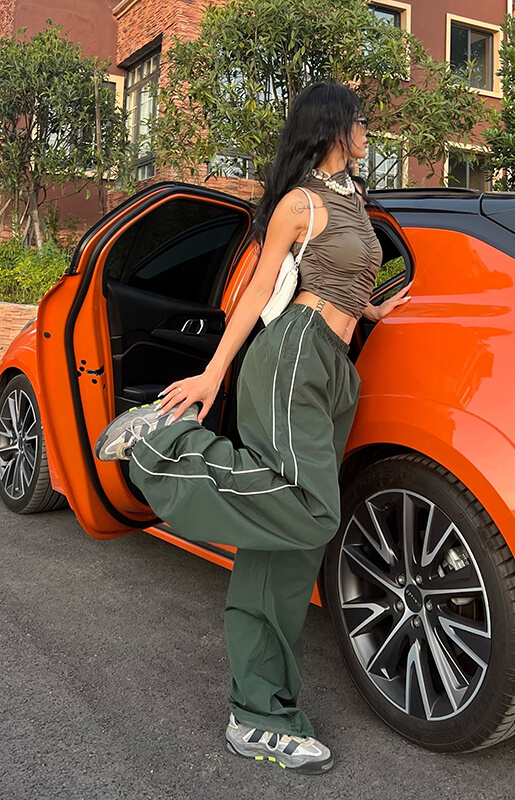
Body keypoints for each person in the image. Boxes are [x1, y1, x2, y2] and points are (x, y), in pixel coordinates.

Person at [95, 82, 411, 774]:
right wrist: (212, 374)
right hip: (292, 355)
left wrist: (372, 310)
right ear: (331, 125)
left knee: (287, 549)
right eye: (358, 120)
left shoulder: (353, 198)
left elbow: (346, 281)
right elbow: (259, 291)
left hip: (335, 365)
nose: (366, 130)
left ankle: (259, 714)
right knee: (311, 508)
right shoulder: (299, 203)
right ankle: (160, 447)